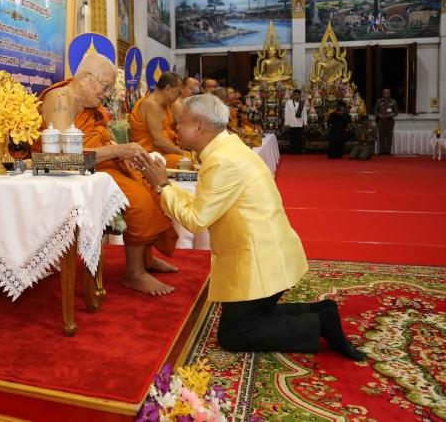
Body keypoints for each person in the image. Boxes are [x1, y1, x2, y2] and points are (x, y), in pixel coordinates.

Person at [134, 95, 365, 360]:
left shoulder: (222, 161)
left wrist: (163, 186)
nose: (175, 127)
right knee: (251, 318)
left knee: (235, 334)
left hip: (259, 261)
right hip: (267, 249)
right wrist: (167, 187)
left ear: (199, 127)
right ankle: (322, 311)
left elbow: (196, 220)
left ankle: (320, 323)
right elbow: (204, 204)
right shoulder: (228, 147)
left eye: (181, 121)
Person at [34, 53, 179, 296]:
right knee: (139, 200)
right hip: (72, 174)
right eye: (106, 87)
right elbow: (65, 157)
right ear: (86, 78)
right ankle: (134, 274)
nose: (108, 94)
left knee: (148, 184)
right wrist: (118, 150)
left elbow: (98, 137)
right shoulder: (59, 98)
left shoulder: (90, 105)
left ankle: (146, 261)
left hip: (97, 166)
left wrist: (123, 155)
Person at [130, 72, 186, 168]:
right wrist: (183, 154)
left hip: (163, 152)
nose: (180, 95)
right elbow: (158, 141)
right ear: (168, 88)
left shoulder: (165, 105)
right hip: (150, 155)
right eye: (179, 92)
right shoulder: (152, 104)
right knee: (190, 162)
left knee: (194, 159)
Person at [374, 88, 398, 155]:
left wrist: (393, 115)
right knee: (381, 136)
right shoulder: (379, 101)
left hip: (390, 121)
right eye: (385, 93)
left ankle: (388, 150)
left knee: (389, 136)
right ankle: (382, 150)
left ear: (390, 94)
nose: (386, 94)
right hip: (381, 121)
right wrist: (379, 115)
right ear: (383, 94)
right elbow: (375, 111)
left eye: (388, 93)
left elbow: (396, 111)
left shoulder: (393, 102)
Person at [284, 89, 307, 155]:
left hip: (300, 123)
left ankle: (299, 151)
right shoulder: (289, 103)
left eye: (298, 95)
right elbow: (286, 113)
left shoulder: (302, 103)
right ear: (293, 95)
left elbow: (304, 113)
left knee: (299, 138)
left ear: (300, 96)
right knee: (292, 138)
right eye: (295, 95)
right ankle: (293, 151)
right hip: (291, 123)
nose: (297, 96)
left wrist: (305, 123)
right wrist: (287, 123)